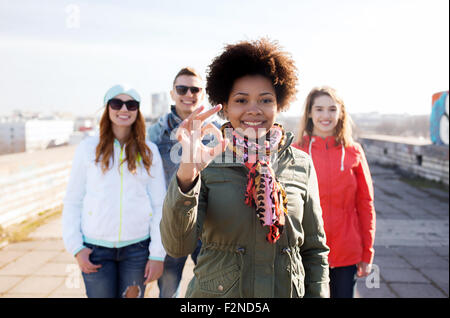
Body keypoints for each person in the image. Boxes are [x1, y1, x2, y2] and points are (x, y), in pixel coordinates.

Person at [160, 38, 330, 298]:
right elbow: (177, 245)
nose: (254, 110)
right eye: (241, 100)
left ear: (278, 105)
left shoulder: (301, 164)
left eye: (265, 100)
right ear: (225, 107)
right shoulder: (206, 162)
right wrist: (187, 173)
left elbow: (314, 251)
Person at [62, 84, 166, 298]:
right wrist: (76, 247)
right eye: (116, 103)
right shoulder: (88, 148)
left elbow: (159, 204)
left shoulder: (149, 151)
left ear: (138, 111)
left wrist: (158, 255)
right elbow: (73, 200)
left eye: (131, 105)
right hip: (95, 249)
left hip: (137, 248)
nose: (124, 109)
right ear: (107, 109)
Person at [293, 86, 376, 298]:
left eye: (332, 109)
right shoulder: (296, 152)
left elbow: (365, 204)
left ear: (341, 113)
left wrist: (367, 252)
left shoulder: (354, 151)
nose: (325, 115)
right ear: (310, 113)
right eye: (319, 109)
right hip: (306, 253)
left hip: (346, 252)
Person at [148, 67, 215, 298]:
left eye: (195, 89)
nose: (189, 93)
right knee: (168, 291)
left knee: (212, 289)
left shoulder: (214, 133)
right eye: (182, 88)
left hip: (206, 226)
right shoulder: (155, 134)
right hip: (172, 223)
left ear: (202, 94)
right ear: (172, 93)